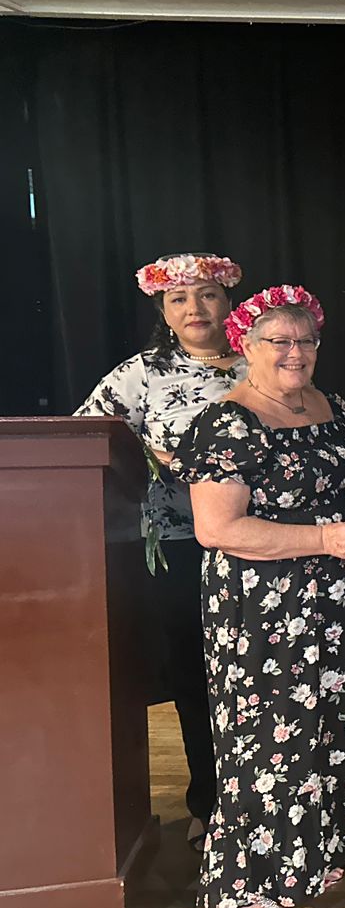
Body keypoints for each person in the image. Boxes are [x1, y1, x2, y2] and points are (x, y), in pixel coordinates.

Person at [171, 285, 345, 908]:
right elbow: (218, 529)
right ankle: (241, 884)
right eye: (279, 341)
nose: (295, 352)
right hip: (260, 610)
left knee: (327, 728)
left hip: (331, 603)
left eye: (306, 340)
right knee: (264, 743)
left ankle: (306, 856)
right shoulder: (226, 421)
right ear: (246, 346)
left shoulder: (333, 405)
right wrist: (325, 539)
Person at [75, 252, 244, 853]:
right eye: (179, 299)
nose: (195, 309)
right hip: (178, 547)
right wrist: (152, 456)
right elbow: (85, 442)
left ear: (229, 302)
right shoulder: (140, 374)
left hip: (260, 546)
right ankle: (210, 802)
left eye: (206, 296)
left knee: (256, 679)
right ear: (163, 311)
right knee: (198, 679)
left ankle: (268, 798)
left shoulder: (263, 363)